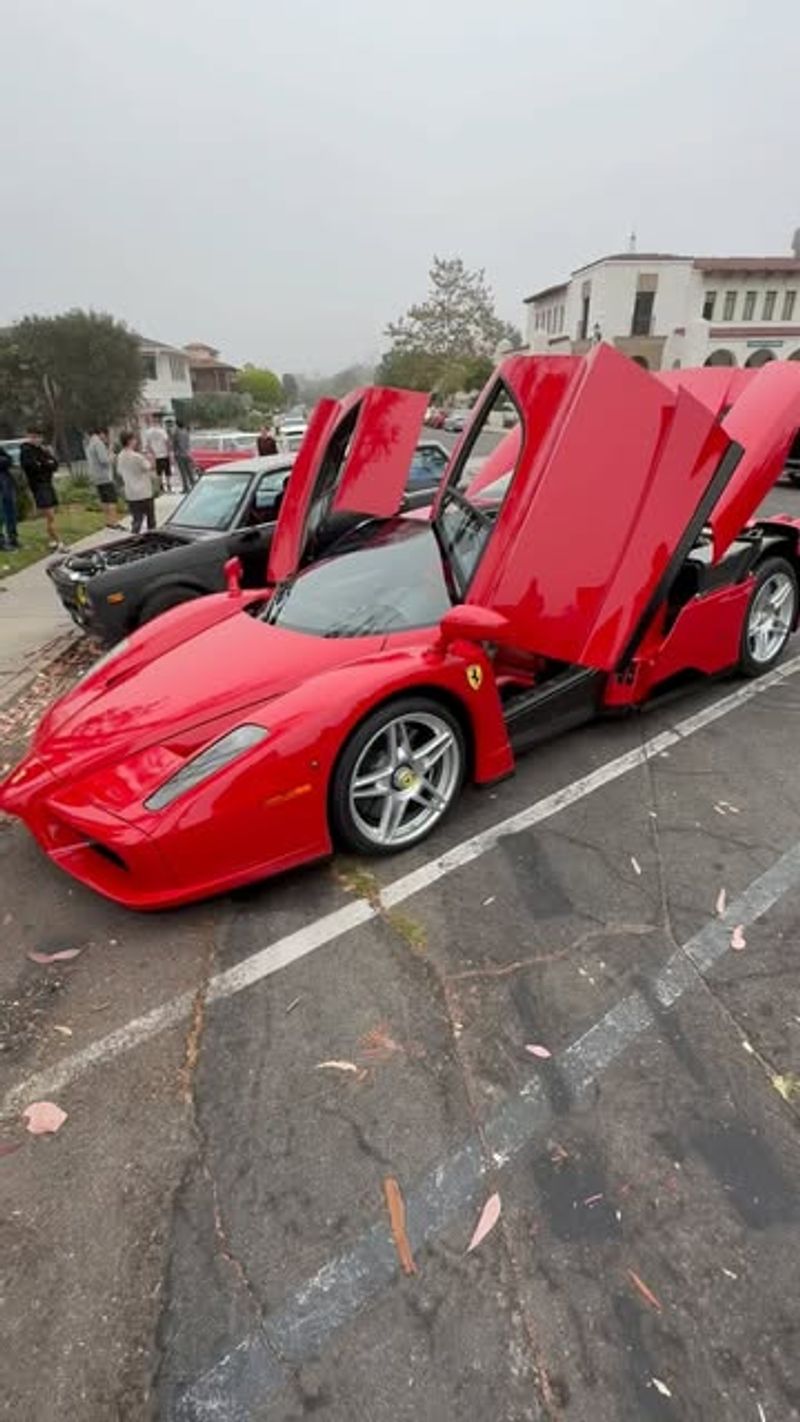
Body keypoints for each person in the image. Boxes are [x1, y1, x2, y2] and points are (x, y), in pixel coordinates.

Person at [19, 429, 63, 550]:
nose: (37, 439)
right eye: (34, 437)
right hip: (38, 486)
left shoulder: (42, 450)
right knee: (50, 515)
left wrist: (43, 464)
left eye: (39, 437)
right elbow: (32, 467)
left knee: (52, 515)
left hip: (48, 484)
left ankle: (52, 540)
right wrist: (45, 464)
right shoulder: (26, 451)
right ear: (29, 437)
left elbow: (54, 464)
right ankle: (59, 541)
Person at [117, 431, 156, 533]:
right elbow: (149, 467)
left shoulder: (120, 456)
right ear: (130, 441)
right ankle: (151, 539)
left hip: (131, 493)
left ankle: (134, 537)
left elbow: (119, 472)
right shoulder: (137, 457)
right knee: (151, 520)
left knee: (136, 520)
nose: (136, 441)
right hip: (144, 492)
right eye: (134, 439)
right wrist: (151, 457)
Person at [85, 428, 124, 530]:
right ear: (101, 434)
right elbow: (104, 460)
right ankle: (114, 522)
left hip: (96, 476)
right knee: (111, 500)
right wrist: (112, 455)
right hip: (105, 476)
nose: (106, 438)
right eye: (105, 435)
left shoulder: (90, 444)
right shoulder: (98, 444)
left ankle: (108, 521)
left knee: (104, 500)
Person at [143, 413, 172, 493]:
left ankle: (161, 487)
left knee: (159, 473)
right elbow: (167, 442)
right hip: (164, 454)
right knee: (167, 472)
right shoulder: (162, 431)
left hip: (156, 456)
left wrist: (152, 454)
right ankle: (169, 487)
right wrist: (169, 453)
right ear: (158, 421)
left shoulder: (148, 432)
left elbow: (148, 445)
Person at [0, 444, 20, 550]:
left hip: (6, 483)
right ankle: (1, 542)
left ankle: (13, 539)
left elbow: (9, 460)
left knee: (10, 513)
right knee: (0, 515)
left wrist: (4, 461)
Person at [171, 419, 196, 494]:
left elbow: (175, 444)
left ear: (177, 425)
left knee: (183, 472)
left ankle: (186, 487)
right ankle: (194, 485)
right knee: (189, 471)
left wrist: (174, 453)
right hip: (187, 453)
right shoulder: (186, 432)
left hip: (180, 454)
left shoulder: (176, 433)